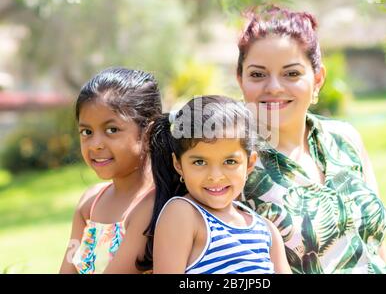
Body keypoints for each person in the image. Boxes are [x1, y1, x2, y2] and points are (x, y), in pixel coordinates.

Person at [235, 5, 386, 274]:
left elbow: (375, 246)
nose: (274, 87)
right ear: (240, 80)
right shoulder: (229, 160)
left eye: (291, 73)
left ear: (317, 79)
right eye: (258, 74)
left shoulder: (345, 138)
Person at [139, 95, 291, 274]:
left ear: (250, 163)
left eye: (230, 162)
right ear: (178, 165)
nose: (215, 176)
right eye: (200, 162)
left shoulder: (267, 231)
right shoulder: (183, 214)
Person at [59, 67, 161, 274]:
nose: (95, 144)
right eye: (86, 132)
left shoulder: (153, 204)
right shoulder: (90, 203)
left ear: (148, 133)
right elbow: (67, 270)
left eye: (111, 130)